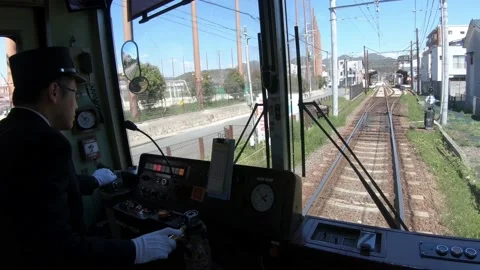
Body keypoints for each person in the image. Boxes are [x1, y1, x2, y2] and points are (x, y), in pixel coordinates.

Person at [0, 47, 182, 269]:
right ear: (54, 91)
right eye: (75, 94)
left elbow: (32, 190)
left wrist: (94, 181)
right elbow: (56, 247)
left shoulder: (8, 131)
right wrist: (136, 249)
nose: (76, 105)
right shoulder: (47, 143)